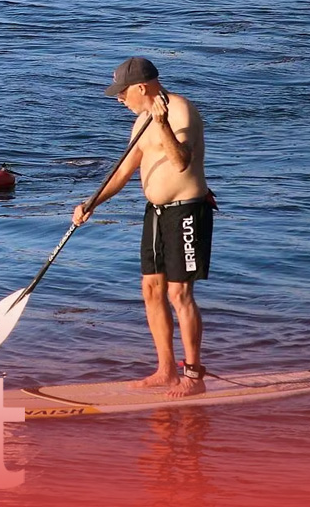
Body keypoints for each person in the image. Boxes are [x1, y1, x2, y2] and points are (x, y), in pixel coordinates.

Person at [72, 56, 216, 398]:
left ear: (141, 87)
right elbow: (122, 173)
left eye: (123, 94)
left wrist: (162, 123)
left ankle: (193, 375)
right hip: (155, 212)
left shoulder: (181, 112)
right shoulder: (139, 124)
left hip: (187, 212)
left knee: (179, 294)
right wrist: (91, 203)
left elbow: (181, 164)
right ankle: (166, 370)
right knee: (152, 290)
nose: (120, 100)